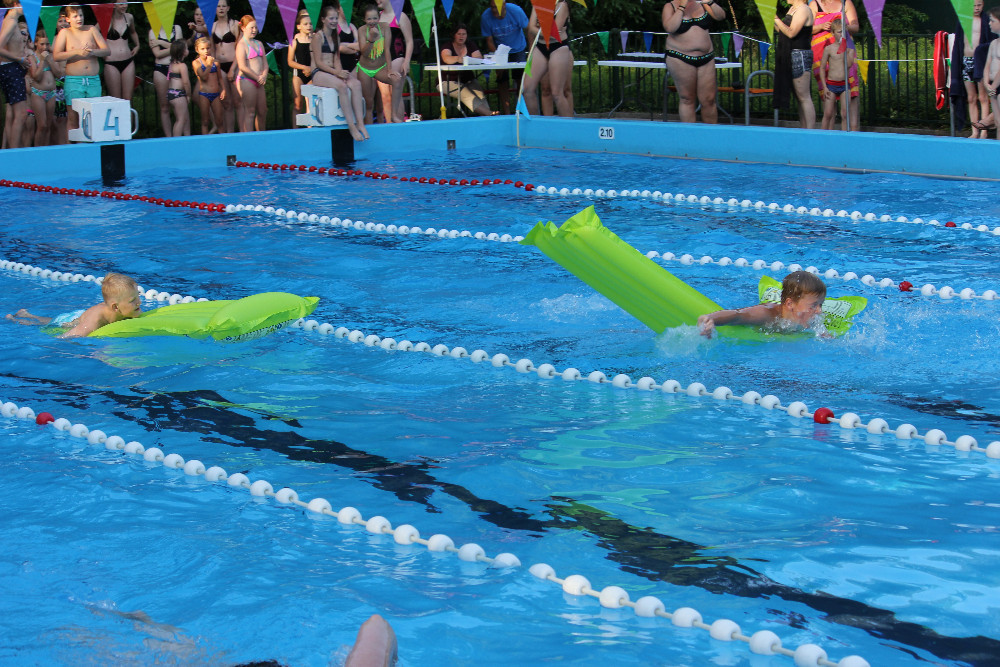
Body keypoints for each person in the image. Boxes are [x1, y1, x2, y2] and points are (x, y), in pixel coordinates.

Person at [7, 273, 141, 339]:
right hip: (73, 321)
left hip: (81, 315)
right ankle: (18, 319)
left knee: (50, 320)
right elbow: (68, 336)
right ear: (115, 307)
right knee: (47, 325)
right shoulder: (95, 321)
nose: (139, 302)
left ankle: (27, 314)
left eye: (138, 296)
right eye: (133, 300)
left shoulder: (126, 308)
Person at [697, 271, 827, 338]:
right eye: (813, 305)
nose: (819, 311)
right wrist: (711, 319)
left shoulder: (810, 319)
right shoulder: (767, 314)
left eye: (820, 305)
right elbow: (738, 315)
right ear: (789, 304)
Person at [660, 0, 726, 123]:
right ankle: (690, 134)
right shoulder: (670, 6)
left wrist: (710, 2)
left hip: (706, 57)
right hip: (680, 57)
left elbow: (721, 16)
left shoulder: (702, 3)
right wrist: (682, 6)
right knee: (687, 98)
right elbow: (670, 27)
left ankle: (711, 133)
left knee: (709, 99)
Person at [311, 3, 367, 141]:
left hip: (333, 71)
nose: (334, 21)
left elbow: (336, 59)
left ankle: (360, 123)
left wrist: (341, 72)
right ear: (323, 19)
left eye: (336, 18)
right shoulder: (318, 37)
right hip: (319, 72)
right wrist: (337, 73)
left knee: (356, 84)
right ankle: (351, 127)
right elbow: (318, 62)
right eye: (331, 18)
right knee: (342, 86)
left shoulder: (336, 36)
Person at [52, 3, 109, 133]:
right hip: (74, 81)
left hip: (93, 80)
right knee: (74, 119)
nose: (79, 19)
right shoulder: (65, 33)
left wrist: (92, 52)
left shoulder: (91, 29)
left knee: (94, 117)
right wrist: (77, 52)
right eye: (75, 16)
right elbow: (56, 56)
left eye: (81, 15)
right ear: (68, 19)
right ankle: (74, 145)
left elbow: (106, 50)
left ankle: (91, 144)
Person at [809, 0, 859, 130]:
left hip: (845, 53)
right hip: (821, 55)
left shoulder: (846, 2)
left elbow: (855, 26)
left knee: (850, 101)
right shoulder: (814, 4)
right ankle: (827, 136)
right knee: (828, 108)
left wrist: (843, 27)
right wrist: (821, 26)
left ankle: (852, 134)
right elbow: (806, 28)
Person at [523, 0, 574, 116]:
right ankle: (535, 123)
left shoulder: (562, 5)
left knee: (557, 93)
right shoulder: (538, 3)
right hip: (540, 46)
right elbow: (530, 27)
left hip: (558, 47)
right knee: (527, 90)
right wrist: (546, 31)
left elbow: (553, 34)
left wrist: (540, 29)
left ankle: (568, 124)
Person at [480, 0, 528, 114]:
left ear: (504, 5)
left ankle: (521, 110)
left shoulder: (516, 11)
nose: (494, 10)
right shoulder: (486, 16)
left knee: (521, 80)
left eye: (497, 7)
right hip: (499, 50)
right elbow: (489, 40)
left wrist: (531, 50)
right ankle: (507, 112)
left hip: (518, 47)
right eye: (492, 7)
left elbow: (528, 29)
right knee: (502, 80)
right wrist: (498, 57)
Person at [772, 0, 815, 129]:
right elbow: (783, 30)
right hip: (790, 54)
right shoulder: (792, 9)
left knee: (804, 96)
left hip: (800, 55)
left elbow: (791, 32)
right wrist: (771, 20)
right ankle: (804, 129)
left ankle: (812, 132)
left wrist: (776, 18)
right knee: (799, 97)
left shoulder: (803, 9)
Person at [357, 4, 400, 126]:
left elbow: (387, 50)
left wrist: (390, 69)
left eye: (375, 18)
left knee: (396, 80)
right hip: (365, 69)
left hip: (380, 68)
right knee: (369, 103)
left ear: (379, 18)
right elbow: (364, 53)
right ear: (364, 20)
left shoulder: (385, 27)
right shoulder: (361, 30)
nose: (372, 21)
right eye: (369, 19)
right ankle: (369, 128)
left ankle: (394, 115)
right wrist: (371, 39)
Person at [438, 23, 494, 116]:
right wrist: (458, 58)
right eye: (459, 34)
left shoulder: (470, 44)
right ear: (454, 35)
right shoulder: (447, 46)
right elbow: (446, 58)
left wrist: (469, 59)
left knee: (480, 95)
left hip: (468, 79)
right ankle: (490, 114)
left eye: (464, 34)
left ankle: (487, 117)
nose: (461, 36)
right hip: (447, 80)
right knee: (466, 94)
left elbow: (478, 57)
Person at [0, 0, 31, 149]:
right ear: (16, 4)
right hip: (11, 69)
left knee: (14, 114)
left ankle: (12, 150)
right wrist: (19, 59)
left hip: (12, 69)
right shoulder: (11, 21)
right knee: (21, 114)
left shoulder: (12, 21)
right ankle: (14, 152)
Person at [374, 0, 411, 122]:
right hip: (382, 61)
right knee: (385, 96)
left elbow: (409, 41)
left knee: (396, 94)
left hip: (397, 58)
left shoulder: (400, 16)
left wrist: (406, 61)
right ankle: (390, 125)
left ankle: (399, 124)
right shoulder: (378, 17)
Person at [148, 18, 183, 136]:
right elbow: (157, 54)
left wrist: (161, 43)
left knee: (179, 105)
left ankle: (181, 136)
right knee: (164, 106)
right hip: (160, 69)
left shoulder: (176, 28)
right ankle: (168, 137)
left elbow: (180, 49)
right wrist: (173, 47)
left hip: (175, 68)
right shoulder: (153, 31)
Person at [818, 19, 854, 131]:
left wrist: (844, 49)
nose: (842, 34)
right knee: (828, 113)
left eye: (844, 31)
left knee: (845, 114)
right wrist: (824, 87)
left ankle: (844, 137)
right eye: (839, 32)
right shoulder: (829, 49)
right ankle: (823, 136)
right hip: (831, 84)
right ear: (832, 33)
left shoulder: (849, 48)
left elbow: (849, 64)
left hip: (844, 85)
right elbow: (822, 68)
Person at [234, 15, 267, 132]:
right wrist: (257, 77)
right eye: (251, 28)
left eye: (255, 27)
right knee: (250, 111)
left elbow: (265, 63)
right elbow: (242, 66)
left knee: (263, 111)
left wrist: (264, 75)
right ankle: (248, 138)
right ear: (243, 28)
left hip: (259, 79)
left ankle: (261, 136)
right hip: (247, 80)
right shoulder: (241, 45)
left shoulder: (259, 43)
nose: (254, 30)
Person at [212, 0, 240, 133]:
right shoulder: (212, 26)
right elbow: (212, 49)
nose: (221, 8)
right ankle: (229, 133)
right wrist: (213, 66)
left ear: (228, 8)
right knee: (226, 103)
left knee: (238, 102)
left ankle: (243, 132)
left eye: (223, 6)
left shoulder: (234, 24)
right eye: (218, 6)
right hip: (220, 65)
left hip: (234, 64)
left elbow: (240, 48)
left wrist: (233, 68)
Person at [103, 1, 139, 102]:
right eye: (121, 4)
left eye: (126, 3)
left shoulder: (129, 17)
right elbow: (94, 33)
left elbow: (133, 32)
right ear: (114, 5)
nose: (125, 6)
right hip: (111, 62)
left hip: (128, 61)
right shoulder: (106, 19)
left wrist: (137, 45)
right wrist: (102, 51)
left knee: (128, 99)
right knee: (116, 100)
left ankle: (129, 113)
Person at [26, 28, 56, 147]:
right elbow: (37, 77)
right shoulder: (32, 57)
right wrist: (43, 61)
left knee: (48, 125)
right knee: (41, 125)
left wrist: (50, 61)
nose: (45, 47)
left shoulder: (51, 56)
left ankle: (46, 151)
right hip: (38, 93)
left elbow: (59, 74)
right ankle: (37, 150)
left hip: (51, 93)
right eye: (42, 44)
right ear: (35, 43)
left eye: (47, 44)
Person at [192, 36, 224, 134]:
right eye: (203, 49)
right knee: (205, 121)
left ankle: (223, 140)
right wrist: (209, 65)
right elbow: (204, 77)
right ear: (197, 50)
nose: (206, 51)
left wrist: (223, 89)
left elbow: (220, 78)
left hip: (216, 94)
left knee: (219, 121)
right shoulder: (196, 63)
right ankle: (205, 140)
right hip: (204, 94)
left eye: (208, 48)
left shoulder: (216, 62)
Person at [288, 9, 313, 120]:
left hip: (312, 73)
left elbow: (318, 58)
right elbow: (290, 61)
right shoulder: (294, 41)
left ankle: (311, 127)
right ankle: (295, 128)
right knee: (298, 104)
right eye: (305, 24)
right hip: (299, 75)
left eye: (310, 24)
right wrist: (304, 67)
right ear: (299, 26)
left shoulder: (315, 40)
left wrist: (311, 68)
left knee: (311, 104)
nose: (309, 26)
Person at [166, 39, 190, 136]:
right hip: (179, 94)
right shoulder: (182, 66)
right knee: (181, 120)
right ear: (183, 52)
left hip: (171, 93)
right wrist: (188, 94)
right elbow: (186, 82)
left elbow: (169, 79)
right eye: (187, 48)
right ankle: (175, 140)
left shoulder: (171, 65)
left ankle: (187, 138)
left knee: (185, 118)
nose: (188, 50)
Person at [983, 7, 1000, 140]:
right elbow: (987, 65)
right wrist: (985, 82)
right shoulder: (994, 43)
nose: (989, 23)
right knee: (998, 123)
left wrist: (993, 87)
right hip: (993, 86)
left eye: (992, 21)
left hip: (996, 85)